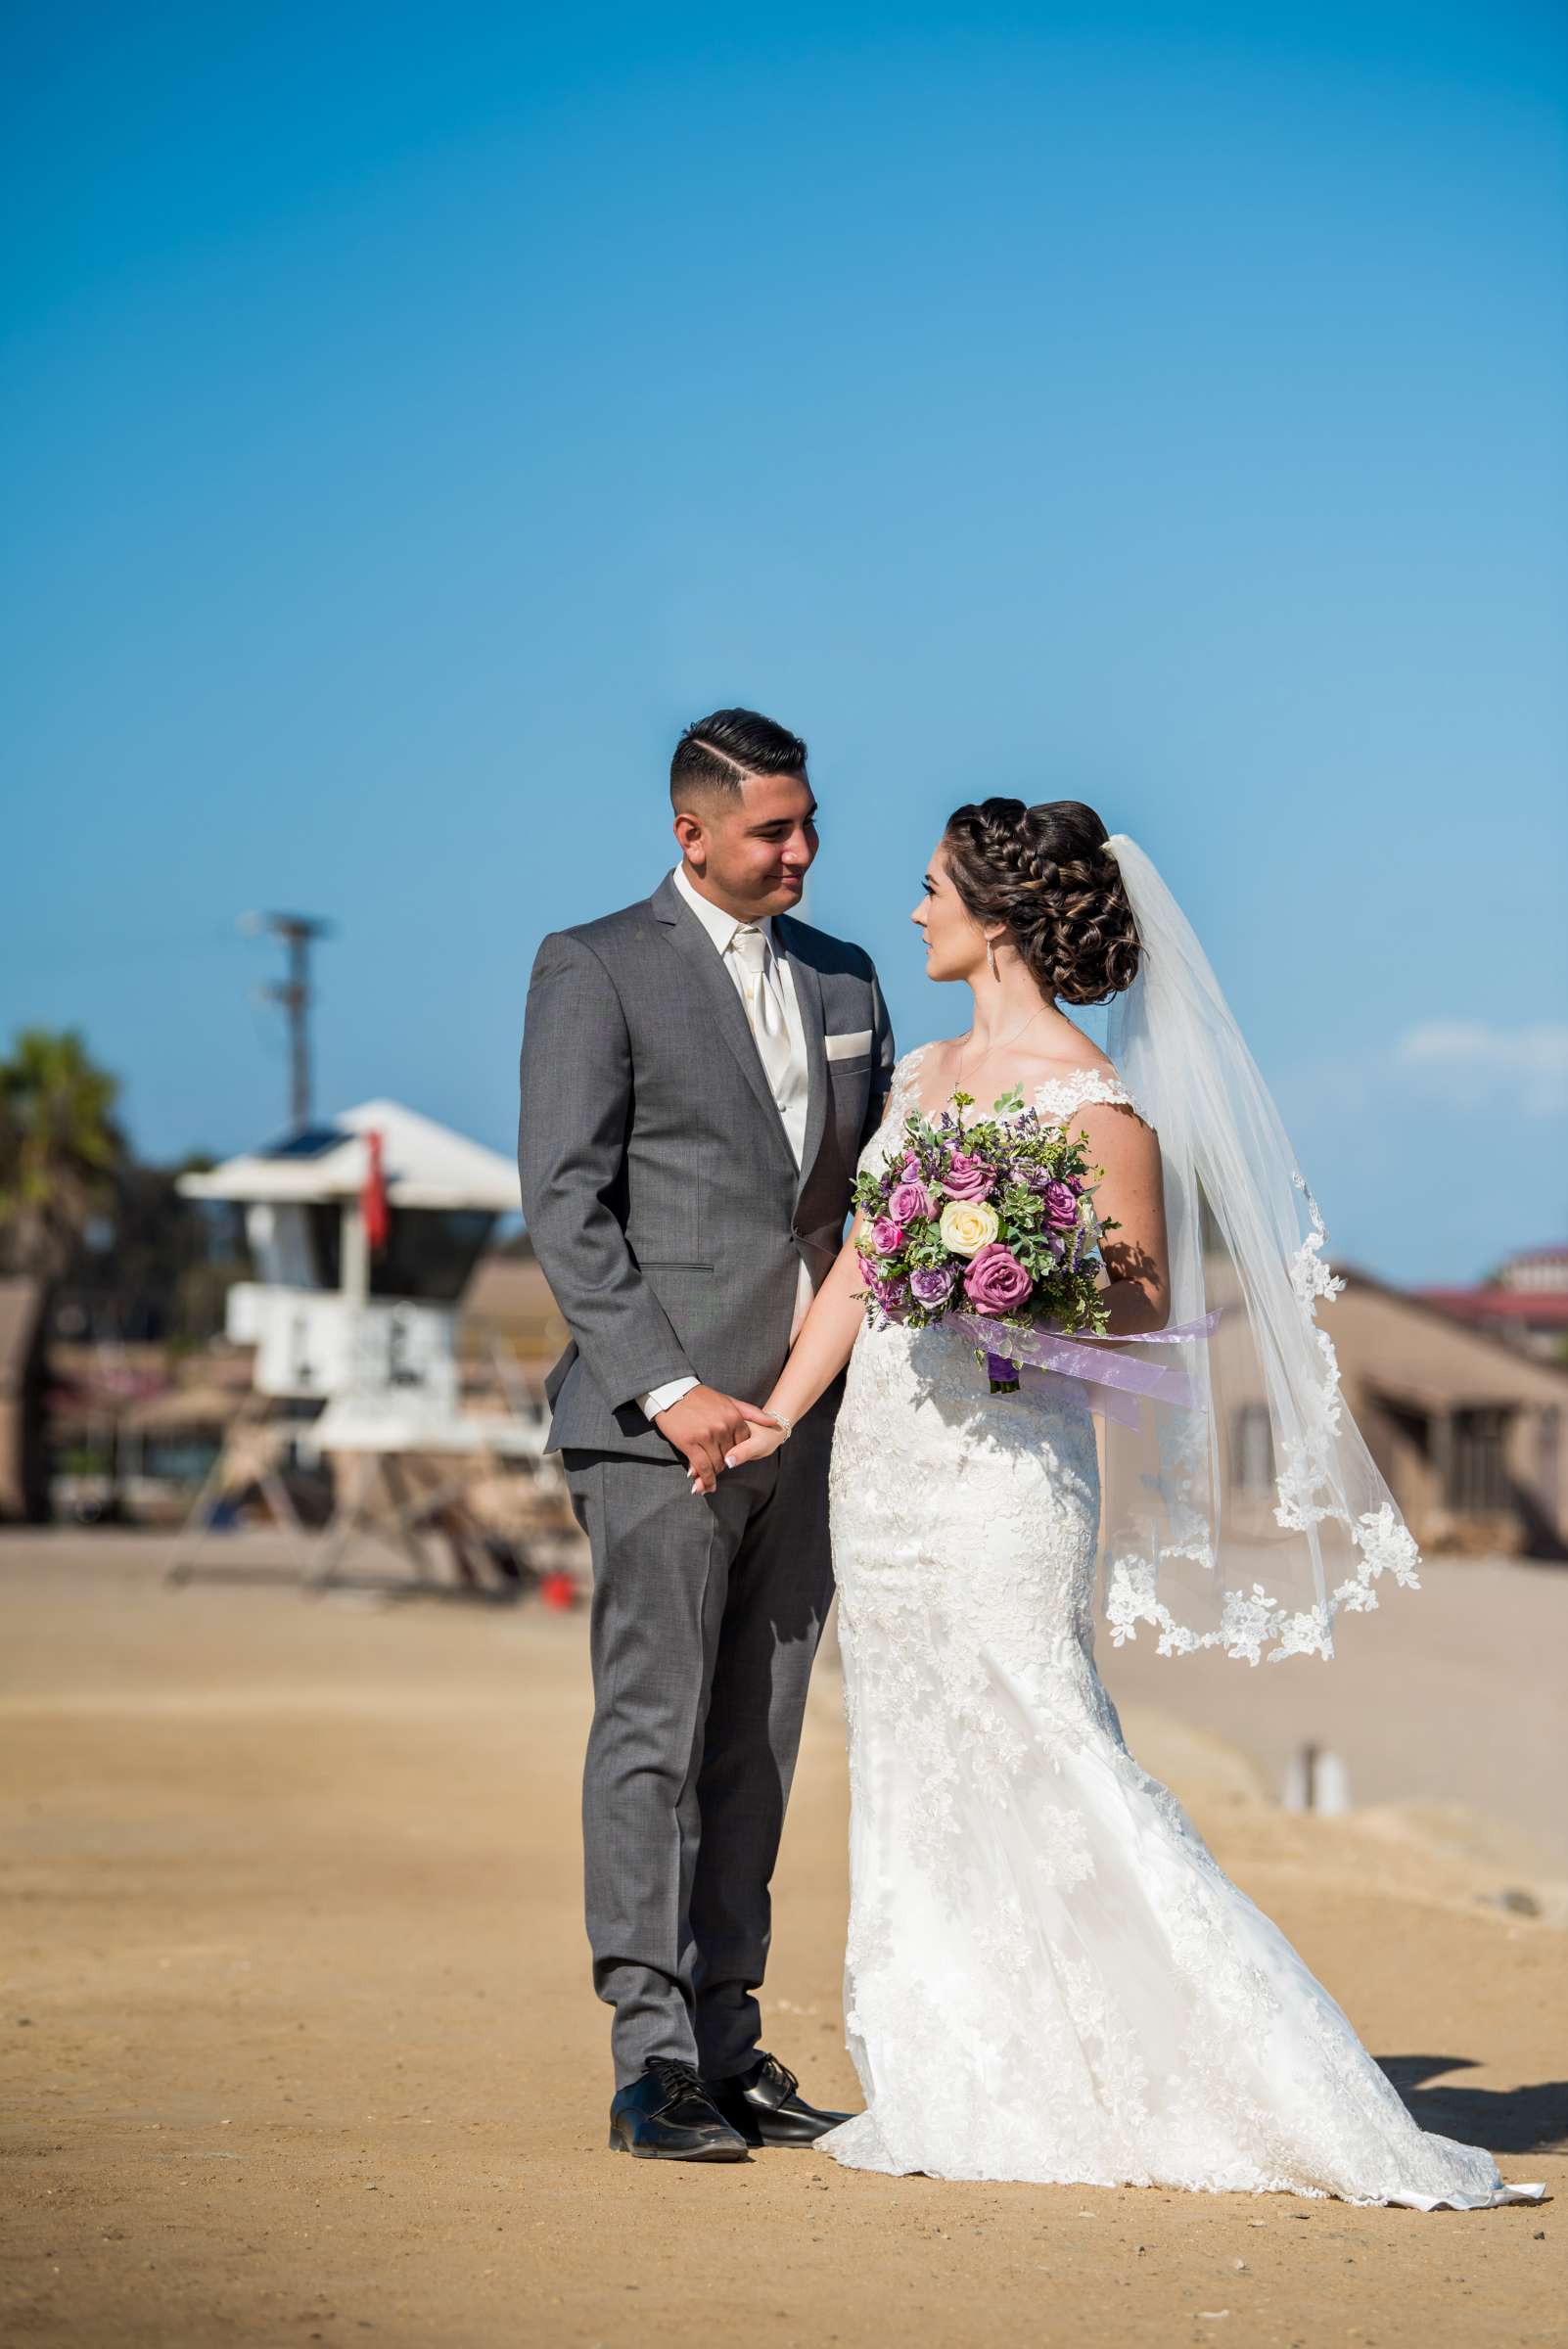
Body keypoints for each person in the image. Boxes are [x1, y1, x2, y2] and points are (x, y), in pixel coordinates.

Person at [722, 796, 1542, 2210]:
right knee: (916, 1753)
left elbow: (1145, 1315)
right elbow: (860, 1267)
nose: (909, 909)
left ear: (995, 915)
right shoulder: (917, 1078)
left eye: (930, 888)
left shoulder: (1095, 1105)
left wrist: (999, 1285)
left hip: (1006, 1472)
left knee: (1043, 1731)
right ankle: (957, 2066)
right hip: (887, 1468)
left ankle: (1204, 2066)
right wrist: (777, 1414)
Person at [518, 708, 895, 2159]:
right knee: (654, 1735)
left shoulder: (848, 975)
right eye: (770, 830)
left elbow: (863, 1207)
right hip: (655, 1427)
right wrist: (669, 1392)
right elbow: (565, 1203)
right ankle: (650, 2059)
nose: (801, 851)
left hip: (806, 1423)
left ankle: (730, 2042)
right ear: (690, 833)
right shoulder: (594, 966)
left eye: (807, 825)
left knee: (762, 1740)